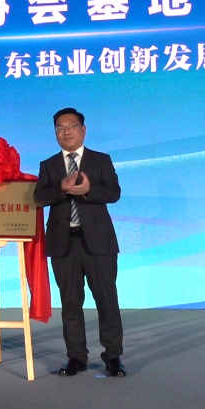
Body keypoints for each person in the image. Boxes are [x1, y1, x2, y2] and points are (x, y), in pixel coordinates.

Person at [34, 107, 126, 377]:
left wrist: (89, 190)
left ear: (83, 130)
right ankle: (76, 356)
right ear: (55, 133)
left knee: (107, 300)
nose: (66, 132)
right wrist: (61, 189)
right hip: (63, 243)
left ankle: (113, 356)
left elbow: (114, 192)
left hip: (99, 243)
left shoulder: (100, 160)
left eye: (71, 126)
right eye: (60, 128)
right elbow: (39, 198)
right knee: (70, 302)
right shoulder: (49, 165)